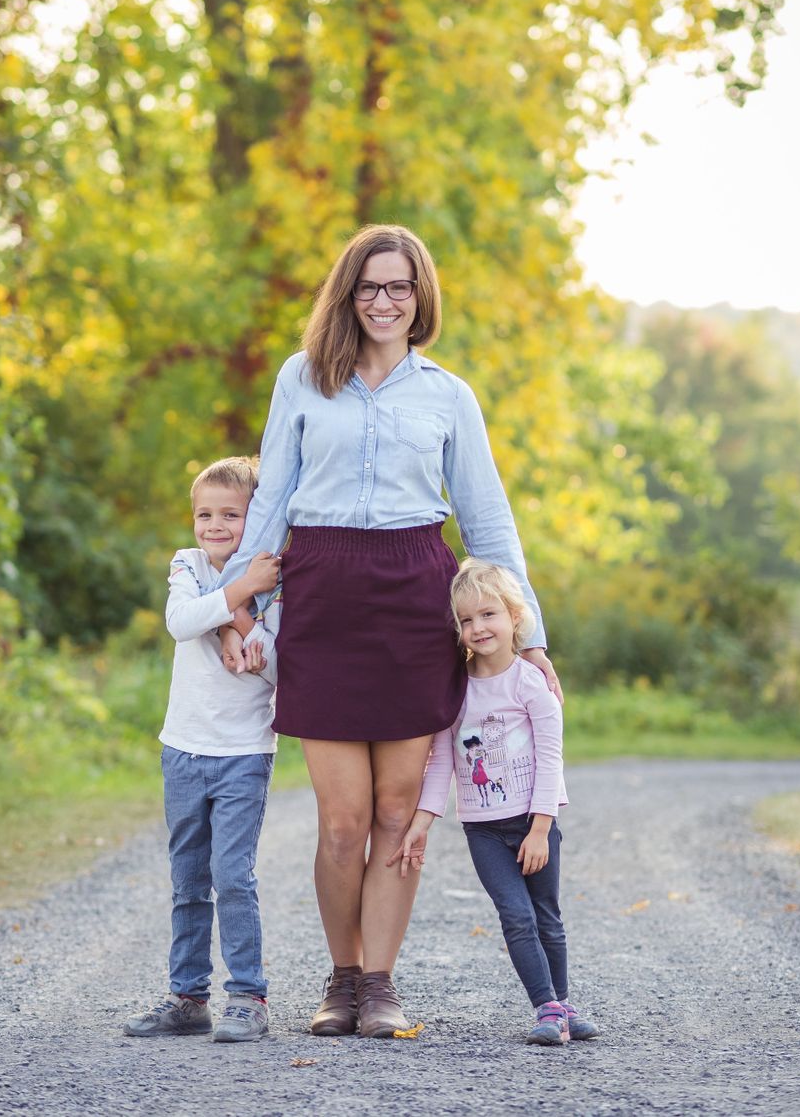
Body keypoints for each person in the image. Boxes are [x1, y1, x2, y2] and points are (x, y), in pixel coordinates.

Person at [215, 224, 560, 1039]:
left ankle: (380, 984)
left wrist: (530, 635)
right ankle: (339, 980)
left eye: (399, 286)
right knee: (342, 819)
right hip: (324, 592)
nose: (383, 300)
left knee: (399, 813)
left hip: (415, 598)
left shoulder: (449, 394)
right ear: (348, 293)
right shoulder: (302, 380)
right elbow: (269, 504)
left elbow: (487, 521)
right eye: (369, 286)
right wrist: (240, 606)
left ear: (420, 297)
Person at [390, 559, 599, 1047]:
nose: (477, 628)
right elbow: (441, 760)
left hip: (533, 823)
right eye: (466, 620)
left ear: (514, 618)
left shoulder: (532, 683)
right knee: (516, 915)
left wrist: (542, 828)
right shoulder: (456, 687)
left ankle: (562, 1005)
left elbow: (551, 760)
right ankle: (546, 1006)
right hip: (483, 829)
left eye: (488, 615)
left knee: (546, 913)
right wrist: (423, 821)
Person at [124, 456, 281, 1043]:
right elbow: (180, 621)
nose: (215, 526)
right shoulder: (188, 565)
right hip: (184, 750)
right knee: (188, 878)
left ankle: (248, 996)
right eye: (204, 514)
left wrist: (250, 636)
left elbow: (275, 671)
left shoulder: (277, 584)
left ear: (256, 518)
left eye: (231, 515)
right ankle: (188, 998)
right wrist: (234, 609)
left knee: (231, 876)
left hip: (244, 752)